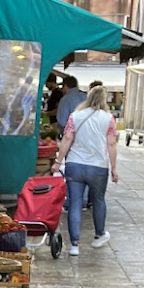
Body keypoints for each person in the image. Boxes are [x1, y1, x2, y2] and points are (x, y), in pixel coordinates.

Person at [51, 84, 119, 254]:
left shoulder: (75, 116)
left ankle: (74, 245)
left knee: (74, 202)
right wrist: (114, 168)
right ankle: (99, 235)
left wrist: (59, 161)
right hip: (98, 167)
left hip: (75, 164)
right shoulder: (108, 118)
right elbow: (111, 144)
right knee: (98, 201)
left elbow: (67, 138)